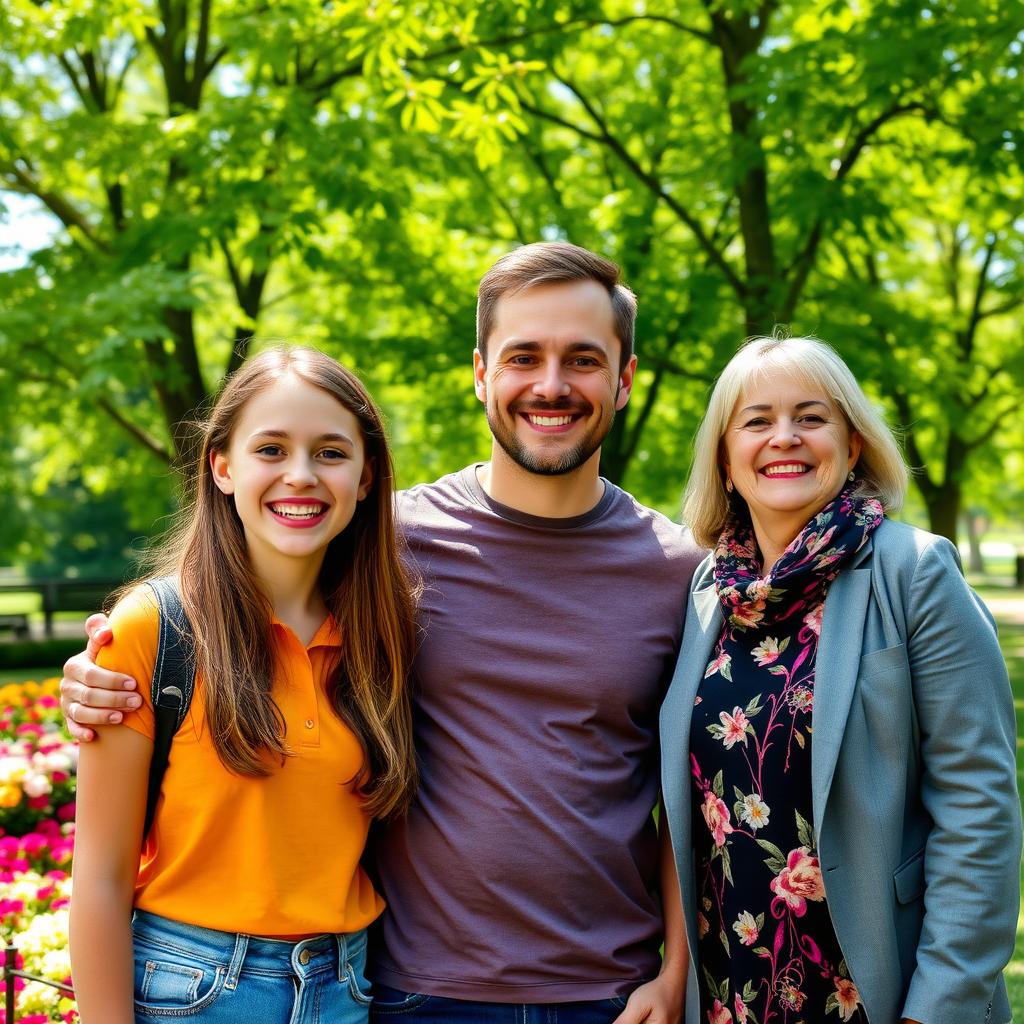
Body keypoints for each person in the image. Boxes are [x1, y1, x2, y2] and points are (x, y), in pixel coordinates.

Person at [62, 242, 705, 1023]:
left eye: (582, 360)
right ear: (479, 372)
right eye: (523, 356)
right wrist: (103, 672)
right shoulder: (381, 546)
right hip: (412, 990)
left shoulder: (679, 571)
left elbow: (697, 789)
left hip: (611, 994)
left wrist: (677, 974)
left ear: (625, 379)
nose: (550, 385)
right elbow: (233, 595)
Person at [660, 335, 1021, 1024]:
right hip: (729, 988)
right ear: (725, 459)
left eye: (811, 416)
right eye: (757, 420)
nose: (784, 437)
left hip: (879, 992)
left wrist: (937, 1007)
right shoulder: (707, 589)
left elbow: (979, 806)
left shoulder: (914, 572)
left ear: (853, 445)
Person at [68, 347, 419, 1023]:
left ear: (368, 476)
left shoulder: (384, 637)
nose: (300, 475)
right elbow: (101, 882)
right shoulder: (154, 628)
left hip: (345, 990)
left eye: (330, 453)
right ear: (222, 467)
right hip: (189, 990)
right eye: (270, 449)